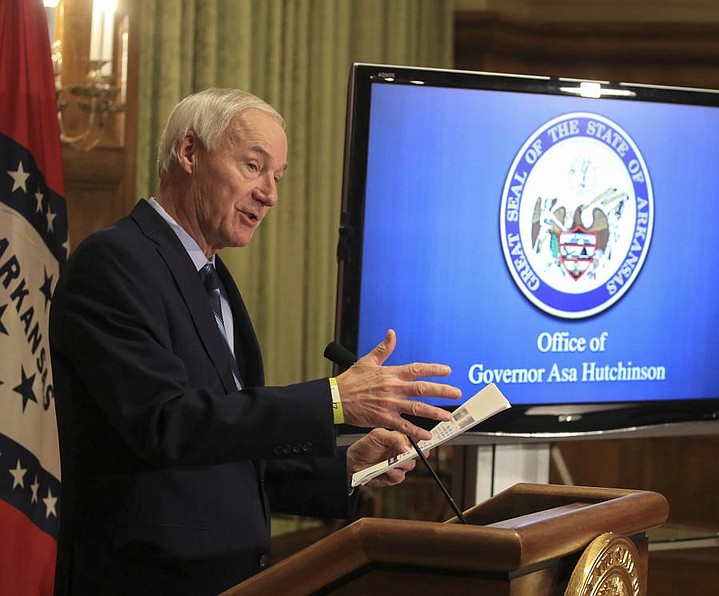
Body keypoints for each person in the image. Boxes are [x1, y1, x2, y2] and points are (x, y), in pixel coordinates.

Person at [50, 87, 462, 595]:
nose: (270, 193)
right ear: (189, 152)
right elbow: (169, 424)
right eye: (253, 166)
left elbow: (231, 452)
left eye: (277, 177)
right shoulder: (113, 264)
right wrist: (334, 400)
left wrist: (345, 467)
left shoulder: (214, 278)